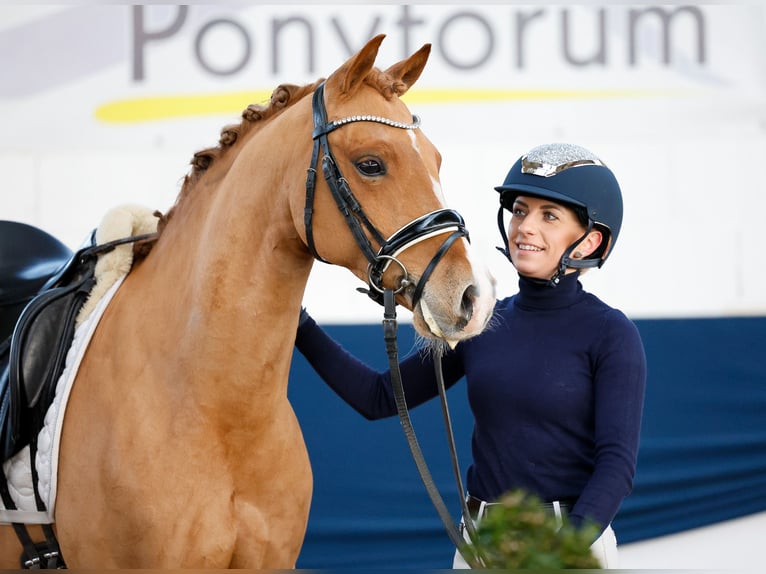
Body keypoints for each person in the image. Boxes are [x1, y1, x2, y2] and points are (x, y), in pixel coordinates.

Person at [295, 142, 647, 568]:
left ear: (590, 240)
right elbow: (380, 397)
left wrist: (562, 551)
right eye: (520, 210)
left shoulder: (611, 334)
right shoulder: (482, 321)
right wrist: (299, 325)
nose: (525, 227)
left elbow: (617, 466)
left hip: (566, 544)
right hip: (481, 542)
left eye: (548, 216)